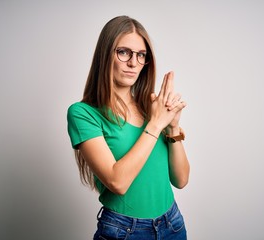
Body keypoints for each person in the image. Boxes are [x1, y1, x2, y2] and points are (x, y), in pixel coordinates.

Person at [67, 15, 190, 240]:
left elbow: (181, 179)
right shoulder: (83, 113)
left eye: (141, 55)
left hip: (172, 224)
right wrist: (155, 123)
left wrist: (173, 126)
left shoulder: (150, 107)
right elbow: (118, 182)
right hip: (125, 231)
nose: (133, 63)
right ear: (106, 55)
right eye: (124, 52)